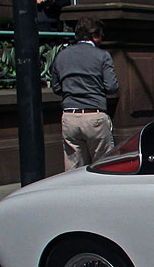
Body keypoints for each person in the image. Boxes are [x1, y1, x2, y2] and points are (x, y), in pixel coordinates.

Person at [50, 17, 119, 171]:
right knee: (104, 166)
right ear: (95, 36)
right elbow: (112, 87)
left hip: (70, 116)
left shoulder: (61, 56)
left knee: (73, 168)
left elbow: (56, 87)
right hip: (94, 115)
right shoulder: (102, 56)